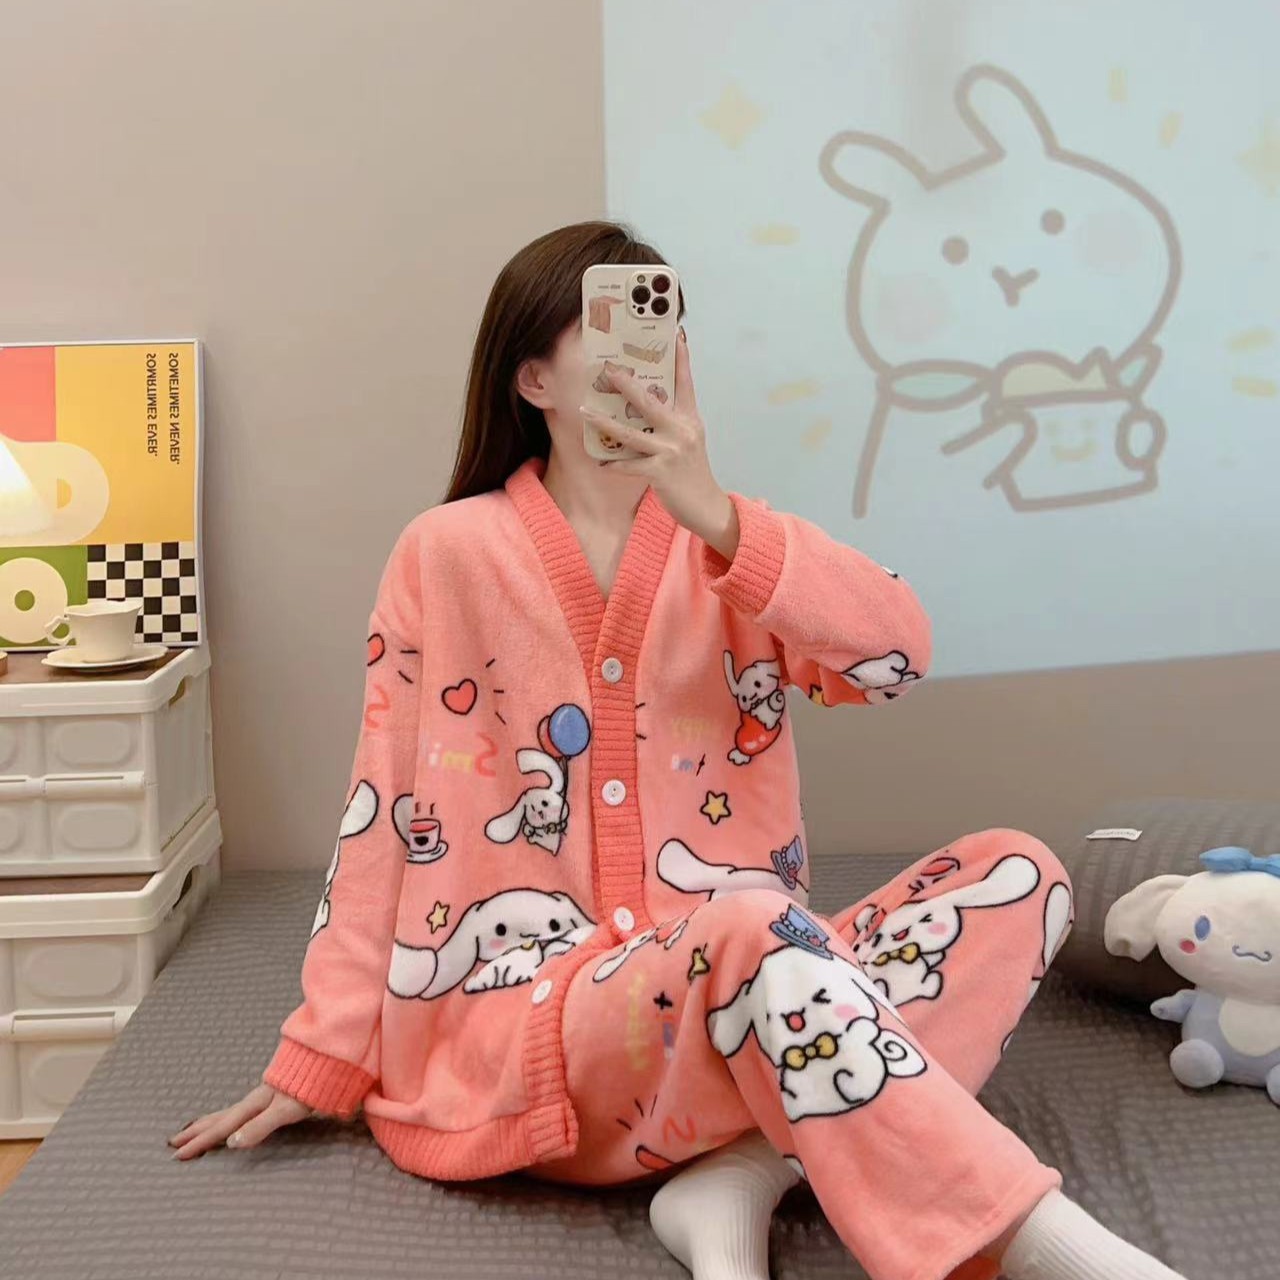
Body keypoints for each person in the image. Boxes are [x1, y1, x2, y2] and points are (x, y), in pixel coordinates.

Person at [170, 222, 1184, 1280]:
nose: (646, 359)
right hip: (551, 1043)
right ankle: (1036, 1241)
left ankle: (742, 1172)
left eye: (663, 332)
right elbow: (380, 809)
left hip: (738, 1004)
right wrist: (322, 1053)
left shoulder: (737, 550)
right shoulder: (447, 552)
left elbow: (898, 654)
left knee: (1018, 874)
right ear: (531, 377)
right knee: (751, 928)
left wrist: (720, 518)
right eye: (608, 331)